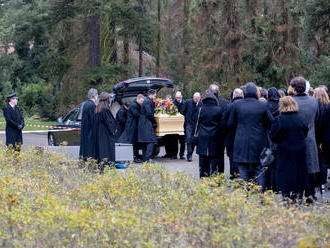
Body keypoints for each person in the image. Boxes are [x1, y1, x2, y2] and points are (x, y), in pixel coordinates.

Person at [228, 82, 273, 188]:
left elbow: (230, 123)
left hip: (241, 141)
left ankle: (245, 195)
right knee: (259, 167)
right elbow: (271, 121)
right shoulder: (263, 105)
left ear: (245, 92)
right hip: (259, 141)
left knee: (242, 168)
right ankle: (261, 193)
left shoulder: (236, 105)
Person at [270, 96, 309, 202]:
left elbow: (272, 135)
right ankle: (298, 193)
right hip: (300, 148)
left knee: (285, 172)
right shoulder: (301, 117)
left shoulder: (279, 119)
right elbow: (305, 132)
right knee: (299, 171)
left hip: (284, 149)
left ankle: (286, 194)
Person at [291, 77, 320, 203]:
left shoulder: (290, 101)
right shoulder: (314, 102)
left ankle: (296, 193)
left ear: (293, 88)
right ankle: (309, 194)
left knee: (295, 167)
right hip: (310, 138)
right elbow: (317, 118)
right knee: (310, 168)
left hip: (293, 139)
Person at [196, 92, 224, 177]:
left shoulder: (200, 109)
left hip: (203, 136)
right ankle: (214, 176)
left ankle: (203, 176)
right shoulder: (219, 109)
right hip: (215, 136)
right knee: (214, 157)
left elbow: (196, 123)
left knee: (203, 157)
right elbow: (221, 125)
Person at [222, 88, 243, 178]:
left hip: (230, 136)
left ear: (233, 96)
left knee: (232, 157)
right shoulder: (245, 105)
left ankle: (233, 175)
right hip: (243, 136)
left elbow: (223, 122)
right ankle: (242, 175)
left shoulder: (229, 106)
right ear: (242, 95)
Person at [207, 84, 229, 171]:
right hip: (221, 134)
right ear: (218, 92)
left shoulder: (204, 103)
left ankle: (210, 174)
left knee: (209, 155)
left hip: (209, 133)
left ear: (209, 92)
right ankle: (220, 173)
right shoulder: (226, 103)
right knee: (220, 155)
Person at [94, 92, 118, 170]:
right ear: (106, 99)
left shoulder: (98, 107)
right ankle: (108, 165)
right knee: (108, 149)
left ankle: (102, 164)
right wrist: (113, 130)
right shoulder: (105, 109)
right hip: (106, 132)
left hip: (100, 131)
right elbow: (108, 121)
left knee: (102, 149)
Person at [119, 94, 144, 163]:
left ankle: (135, 156)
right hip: (131, 126)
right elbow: (136, 114)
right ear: (138, 99)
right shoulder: (133, 105)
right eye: (141, 101)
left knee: (134, 142)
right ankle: (133, 157)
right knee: (132, 142)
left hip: (133, 125)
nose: (142, 102)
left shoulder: (136, 105)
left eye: (143, 101)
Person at [265, 87, 281, 190]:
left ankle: (268, 184)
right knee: (277, 162)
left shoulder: (265, 105)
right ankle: (277, 185)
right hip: (278, 134)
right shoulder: (281, 105)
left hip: (267, 134)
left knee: (267, 160)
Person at [314, 87, 329, 190]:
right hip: (328, 137)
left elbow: (319, 125)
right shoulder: (327, 106)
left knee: (321, 160)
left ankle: (321, 181)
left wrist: (319, 140)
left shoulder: (316, 108)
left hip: (320, 138)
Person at [138, 89, 157, 163]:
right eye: (155, 95)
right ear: (151, 94)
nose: (155, 97)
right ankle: (148, 158)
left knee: (144, 141)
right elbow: (149, 114)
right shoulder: (148, 102)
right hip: (146, 122)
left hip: (143, 122)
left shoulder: (146, 101)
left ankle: (145, 158)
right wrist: (154, 122)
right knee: (150, 140)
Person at [79, 88, 98, 161]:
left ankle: (84, 161)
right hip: (90, 131)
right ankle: (89, 162)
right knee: (89, 148)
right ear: (95, 95)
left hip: (85, 130)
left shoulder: (86, 104)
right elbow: (93, 120)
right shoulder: (92, 105)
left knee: (85, 148)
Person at [183, 92, 201, 162]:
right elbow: (183, 112)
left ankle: (191, 153)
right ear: (193, 97)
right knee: (188, 139)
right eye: (195, 98)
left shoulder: (201, 104)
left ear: (199, 98)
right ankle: (189, 155)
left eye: (197, 99)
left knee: (194, 140)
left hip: (197, 124)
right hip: (189, 123)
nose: (196, 100)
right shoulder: (187, 102)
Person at [173, 91, 186, 159]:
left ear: (181, 96)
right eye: (176, 97)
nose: (178, 99)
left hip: (183, 124)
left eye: (179, 97)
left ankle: (181, 154)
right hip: (175, 125)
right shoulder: (172, 103)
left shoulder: (185, 103)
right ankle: (175, 154)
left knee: (182, 141)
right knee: (175, 141)